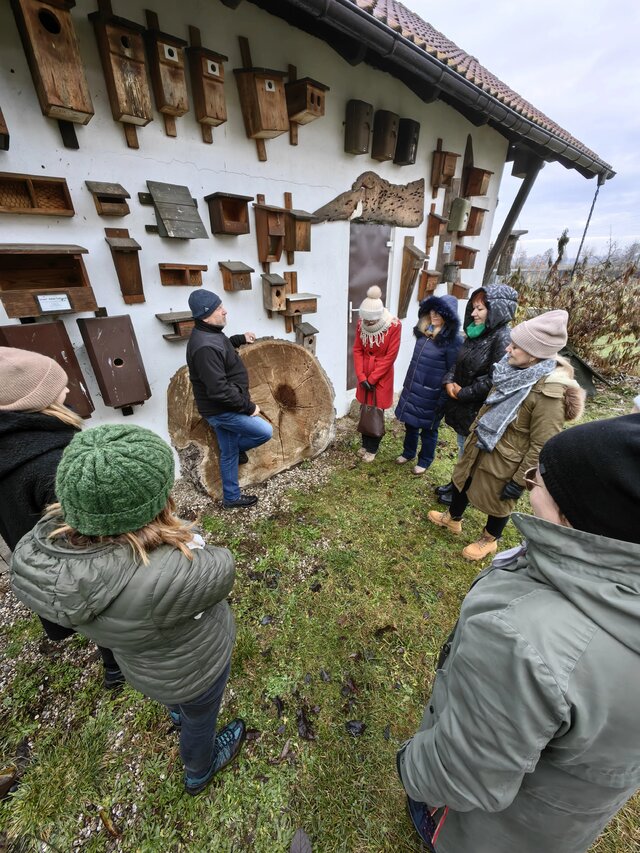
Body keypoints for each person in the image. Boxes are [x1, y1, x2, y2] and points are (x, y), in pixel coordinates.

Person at [397, 413, 640, 853]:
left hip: (484, 831)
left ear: (575, 514)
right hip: (559, 821)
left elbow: (463, 775)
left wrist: (410, 765)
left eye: (539, 479)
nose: (530, 484)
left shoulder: (524, 637)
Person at [10, 424, 245, 796]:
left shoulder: (53, 562)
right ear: (155, 504)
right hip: (196, 668)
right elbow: (223, 566)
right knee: (200, 717)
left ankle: (175, 712)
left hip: (142, 665)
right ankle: (200, 768)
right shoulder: (172, 573)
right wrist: (188, 539)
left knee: (177, 701)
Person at [0, 346, 123, 689]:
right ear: (33, 400)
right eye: (58, 387)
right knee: (101, 602)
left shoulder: (14, 446)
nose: (68, 390)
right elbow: (91, 534)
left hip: (37, 556)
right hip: (74, 558)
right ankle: (117, 668)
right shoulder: (53, 462)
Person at [428, 309, 584, 561]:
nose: (507, 349)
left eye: (515, 346)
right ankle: (452, 519)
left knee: (501, 501)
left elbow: (542, 443)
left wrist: (520, 480)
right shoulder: (511, 371)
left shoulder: (549, 393)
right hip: (482, 441)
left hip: (507, 460)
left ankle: (489, 539)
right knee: (462, 479)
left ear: (533, 355)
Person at [186, 290, 272, 509]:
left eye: (221, 305)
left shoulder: (211, 333)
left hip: (222, 407)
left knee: (229, 451)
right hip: (222, 410)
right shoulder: (205, 346)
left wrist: (239, 339)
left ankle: (231, 498)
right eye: (218, 308)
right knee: (264, 432)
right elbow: (219, 390)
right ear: (205, 315)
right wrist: (248, 406)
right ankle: (236, 451)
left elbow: (223, 351)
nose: (224, 310)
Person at [435, 284, 518, 505]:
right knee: (463, 448)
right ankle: (456, 484)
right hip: (463, 405)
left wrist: (463, 393)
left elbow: (494, 379)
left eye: (480, 309)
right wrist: (449, 381)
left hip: (477, 409)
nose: (473, 314)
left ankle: (462, 493)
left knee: (469, 453)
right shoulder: (475, 333)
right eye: (473, 308)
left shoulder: (503, 338)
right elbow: (459, 362)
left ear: (497, 310)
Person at [395, 294, 462, 475]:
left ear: (448, 316)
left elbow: (453, 370)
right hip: (414, 388)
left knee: (428, 429)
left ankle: (424, 460)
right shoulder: (425, 332)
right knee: (410, 423)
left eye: (440, 312)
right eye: (433, 310)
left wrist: (442, 398)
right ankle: (408, 452)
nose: (435, 315)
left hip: (433, 394)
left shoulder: (453, 341)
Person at [352, 285, 401, 462]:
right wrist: (361, 376)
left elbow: (390, 356)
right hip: (364, 372)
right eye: (366, 321)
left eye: (371, 322)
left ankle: (372, 448)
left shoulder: (393, 325)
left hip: (382, 374)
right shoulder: (361, 322)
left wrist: (373, 378)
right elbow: (357, 349)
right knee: (365, 408)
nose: (368, 324)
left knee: (376, 410)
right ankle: (365, 443)